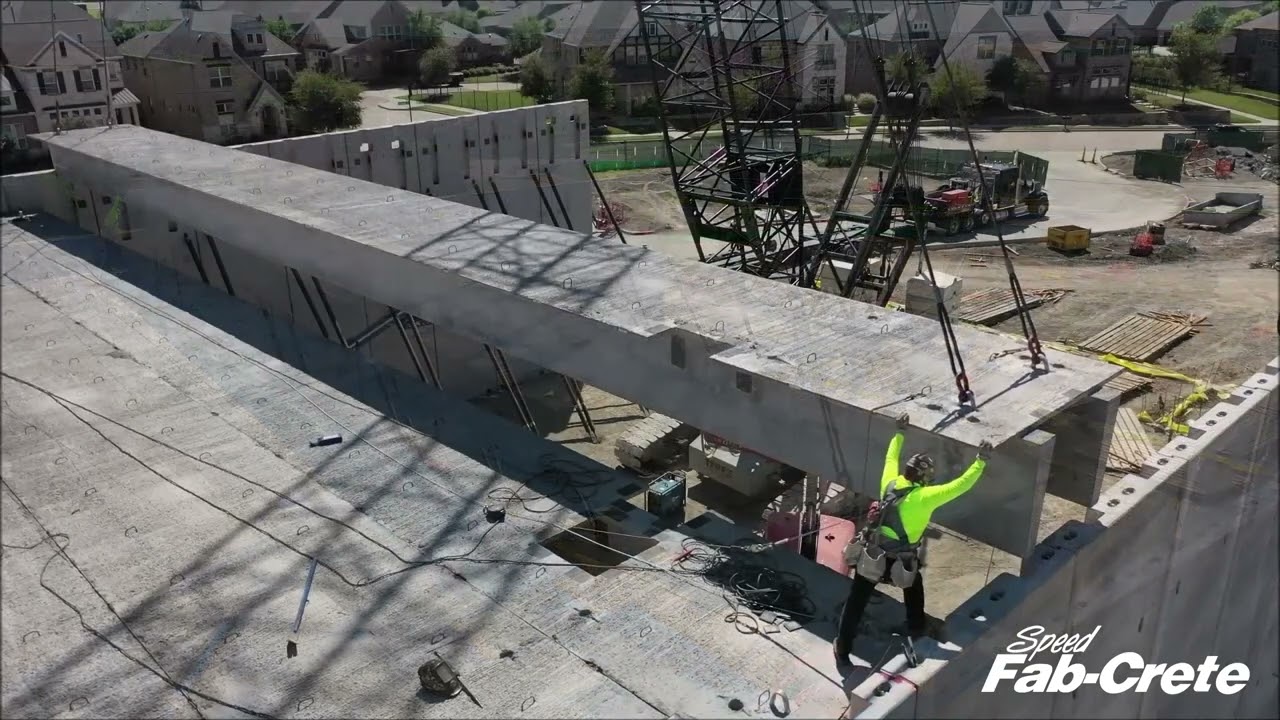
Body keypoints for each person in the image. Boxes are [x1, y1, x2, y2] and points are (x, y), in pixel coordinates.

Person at [834, 412, 992, 671]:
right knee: (913, 585)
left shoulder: (890, 483)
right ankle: (916, 627)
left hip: (873, 556)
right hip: (901, 562)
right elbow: (960, 485)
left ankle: (843, 649)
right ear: (924, 479)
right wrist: (980, 461)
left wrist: (899, 432)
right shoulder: (925, 497)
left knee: (857, 600)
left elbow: (890, 458)